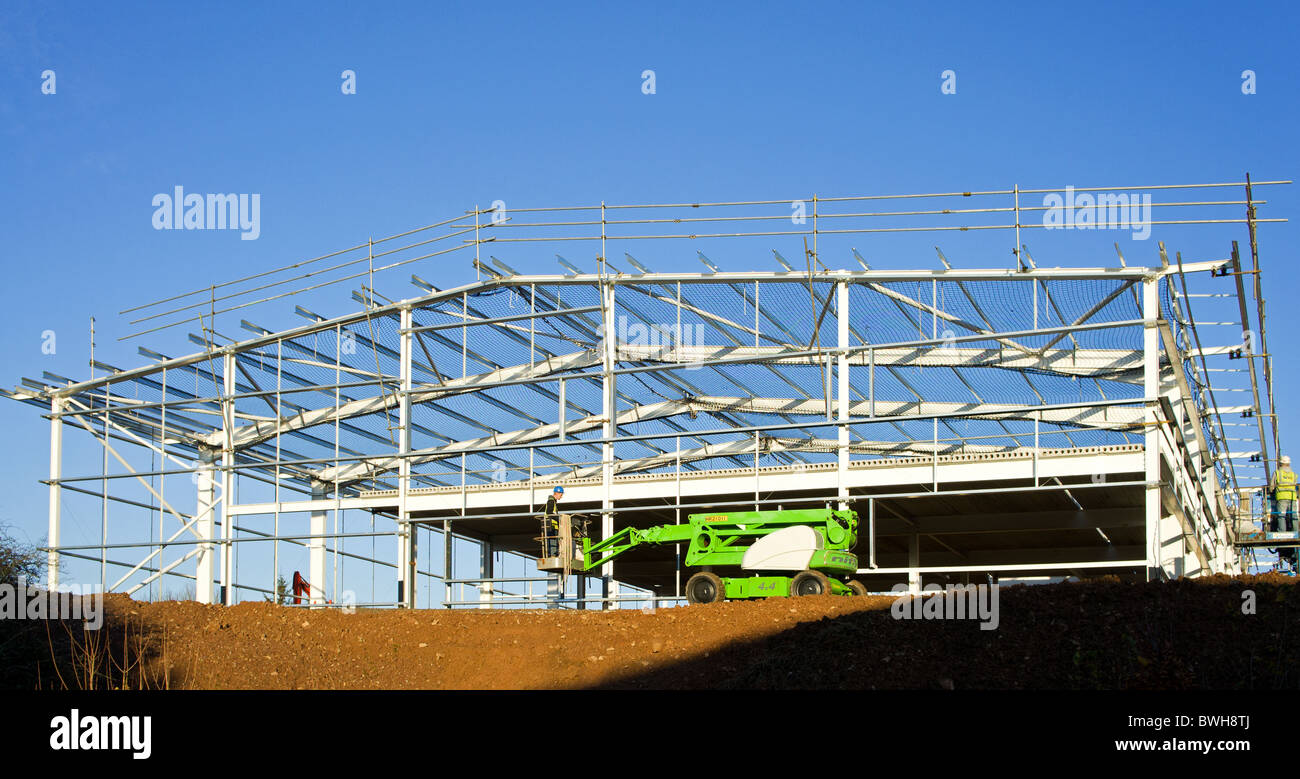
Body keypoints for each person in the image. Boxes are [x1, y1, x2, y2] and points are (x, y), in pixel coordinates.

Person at [1271, 456, 1297, 569]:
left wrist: (1272, 490)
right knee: (1293, 516)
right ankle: (1296, 531)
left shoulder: (1277, 473)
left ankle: (1282, 532)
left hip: (1281, 497)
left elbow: (1271, 486)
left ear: (1280, 464)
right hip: (1292, 497)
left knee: (1281, 516)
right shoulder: (1293, 474)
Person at [541, 486, 564, 557]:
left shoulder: (553, 502)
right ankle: (553, 555)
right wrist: (559, 518)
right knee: (552, 542)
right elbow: (549, 512)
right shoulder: (551, 501)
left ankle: (553, 554)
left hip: (552, 526)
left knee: (553, 541)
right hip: (551, 526)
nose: (561, 496)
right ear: (556, 493)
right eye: (561, 494)